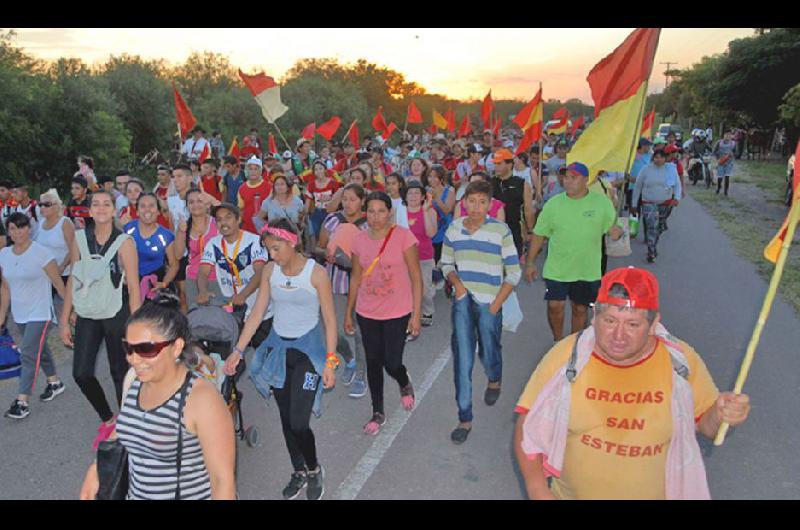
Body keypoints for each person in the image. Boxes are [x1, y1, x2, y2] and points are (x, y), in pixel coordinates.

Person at [514, 267, 752, 500]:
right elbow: (528, 424)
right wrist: (538, 490)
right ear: (594, 315)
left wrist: (723, 415)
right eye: (609, 321)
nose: (618, 335)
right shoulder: (567, 356)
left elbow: (707, 428)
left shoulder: (679, 362)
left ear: (653, 323)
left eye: (632, 325)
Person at [79, 292, 236, 500]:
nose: (134, 359)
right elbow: (128, 425)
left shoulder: (202, 399)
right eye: (129, 348)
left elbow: (222, 481)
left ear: (176, 347)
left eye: (145, 348)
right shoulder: (134, 379)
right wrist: (97, 468)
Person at [223, 219, 336, 500]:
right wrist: (237, 351)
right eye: (268, 249)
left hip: (308, 354)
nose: (272, 255)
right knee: (286, 419)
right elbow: (258, 313)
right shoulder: (271, 271)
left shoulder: (316, 274)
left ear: (292, 242)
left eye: (276, 248)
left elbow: (330, 322)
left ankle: (314, 469)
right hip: (279, 352)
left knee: (299, 422)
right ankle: (298, 470)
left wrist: (330, 362)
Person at [441, 180, 521, 444]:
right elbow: (446, 263)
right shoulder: (454, 229)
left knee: (489, 349)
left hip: (491, 301)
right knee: (462, 360)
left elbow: (514, 272)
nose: (476, 207)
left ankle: (494, 377)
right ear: (464, 202)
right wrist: (457, 285)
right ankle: (465, 417)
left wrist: (496, 305)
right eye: (471, 201)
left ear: (490, 204)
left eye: (482, 202)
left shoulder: (500, 231)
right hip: (463, 300)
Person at [60, 190, 141, 449]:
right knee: (81, 373)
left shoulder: (125, 242)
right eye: (96, 204)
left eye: (107, 204)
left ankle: (129, 428)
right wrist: (65, 318)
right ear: (90, 210)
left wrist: (136, 325)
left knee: (120, 373)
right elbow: (74, 277)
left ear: (114, 210)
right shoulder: (80, 239)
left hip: (116, 312)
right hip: (88, 313)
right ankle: (108, 419)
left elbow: (135, 287)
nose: (102, 208)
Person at [344, 191, 422, 435]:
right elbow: (356, 277)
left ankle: (403, 381)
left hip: (397, 311)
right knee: (373, 362)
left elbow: (417, 277)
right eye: (371, 211)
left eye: (381, 211)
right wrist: (349, 313)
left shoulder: (403, 237)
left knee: (392, 362)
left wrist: (416, 314)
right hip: (367, 312)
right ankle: (378, 411)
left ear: (390, 212)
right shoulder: (358, 240)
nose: (376, 217)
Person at [525, 162, 622, 342]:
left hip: (587, 269)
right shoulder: (553, 204)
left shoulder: (601, 203)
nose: (568, 181)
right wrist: (530, 262)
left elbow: (613, 229)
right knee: (555, 306)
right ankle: (558, 341)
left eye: (573, 177)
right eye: (566, 177)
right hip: (557, 267)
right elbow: (539, 235)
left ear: (586, 180)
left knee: (580, 309)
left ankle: (574, 343)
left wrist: (617, 232)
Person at [0, 213, 67, 419]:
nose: (17, 232)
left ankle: (22, 401)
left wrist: (69, 311)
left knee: (28, 352)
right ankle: (54, 381)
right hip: (20, 314)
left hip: (41, 313)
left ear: (29, 228)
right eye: (12, 228)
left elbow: (58, 284)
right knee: (40, 349)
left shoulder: (42, 253)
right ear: (8, 231)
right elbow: (4, 289)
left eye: (21, 227)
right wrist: (2, 316)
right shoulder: (4, 254)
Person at [316, 184, 369, 398]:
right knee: (333, 330)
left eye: (352, 199)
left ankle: (361, 376)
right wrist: (326, 255)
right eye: (344, 199)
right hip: (334, 282)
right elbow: (319, 245)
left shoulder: (369, 224)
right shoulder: (333, 220)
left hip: (361, 284)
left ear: (362, 201)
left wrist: (353, 262)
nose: (347, 203)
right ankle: (350, 359)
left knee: (359, 332)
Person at [197, 203, 272, 346]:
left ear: (238, 220)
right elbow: (202, 272)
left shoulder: (255, 240)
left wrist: (243, 295)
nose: (223, 223)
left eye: (228, 218)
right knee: (236, 356)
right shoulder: (213, 243)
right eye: (219, 219)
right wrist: (203, 291)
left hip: (260, 310)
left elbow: (260, 272)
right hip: (234, 311)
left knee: (263, 353)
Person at [124, 193, 179, 298]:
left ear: (158, 211)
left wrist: (164, 283)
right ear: (137, 211)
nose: (147, 210)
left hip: (155, 284)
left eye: (151, 206)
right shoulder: (128, 229)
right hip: (130, 282)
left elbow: (174, 265)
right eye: (143, 206)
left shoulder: (166, 235)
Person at [632, 150, 682, 263]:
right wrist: (634, 204)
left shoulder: (671, 169)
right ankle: (651, 251)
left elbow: (677, 185)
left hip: (665, 203)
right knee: (651, 227)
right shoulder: (646, 169)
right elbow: (638, 187)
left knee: (659, 227)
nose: (658, 160)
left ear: (665, 159)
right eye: (656, 157)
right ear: (653, 158)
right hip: (648, 202)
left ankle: (653, 243)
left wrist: (677, 198)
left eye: (661, 157)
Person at [172, 188, 219, 310]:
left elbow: (233, 216)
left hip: (218, 277)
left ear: (207, 204)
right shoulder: (184, 226)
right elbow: (178, 254)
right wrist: (181, 232)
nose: (195, 205)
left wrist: (214, 200)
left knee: (219, 316)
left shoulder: (218, 223)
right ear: (187, 206)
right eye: (191, 202)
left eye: (200, 201)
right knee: (196, 316)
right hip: (193, 277)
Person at [404, 181, 437, 327]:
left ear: (423, 196)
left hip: (424, 256)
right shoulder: (400, 213)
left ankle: (427, 311)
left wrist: (424, 211)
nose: (413, 196)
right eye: (410, 192)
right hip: (404, 257)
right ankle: (409, 312)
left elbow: (431, 233)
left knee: (424, 288)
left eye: (417, 192)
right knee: (406, 287)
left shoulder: (430, 211)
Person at [492, 149, 534, 256]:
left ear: (510, 164)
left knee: (512, 268)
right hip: (492, 231)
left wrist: (530, 231)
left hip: (514, 231)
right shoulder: (489, 183)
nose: (496, 166)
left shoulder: (522, 184)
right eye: (495, 163)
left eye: (499, 163)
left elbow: (528, 210)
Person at [35, 189, 75, 289]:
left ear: (57, 206)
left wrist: (62, 267)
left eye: (47, 204)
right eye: (41, 204)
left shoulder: (65, 223)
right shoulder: (41, 223)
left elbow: (74, 249)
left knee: (66, 303)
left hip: (64, 274)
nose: (42, 207)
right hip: (45, 274)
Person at [427, 165, 456, 269]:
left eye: (435, 176)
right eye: (430, 176)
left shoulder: (449, 191)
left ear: (441, 178)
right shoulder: (426, 191)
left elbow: (447, 210)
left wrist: (436, 198)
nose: (432, 179)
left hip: (444, 231)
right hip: (430, 231)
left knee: (443, 263)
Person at [305, 160, 340, 243]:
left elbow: (339, 198)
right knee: (316, 235)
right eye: (316, 170)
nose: (318, 171)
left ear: (325, 169)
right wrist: (305, 213)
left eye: (320, 168)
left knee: (330, 236)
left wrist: (330, 197)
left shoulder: (333, 183)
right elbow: (308, 199)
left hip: (330, 213)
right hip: (317, 213)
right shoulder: (311, 184)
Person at [237, 156, 272, 235]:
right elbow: (241, 209)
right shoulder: (242, 188)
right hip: (247, 229)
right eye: (250, 169)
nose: (253, 172)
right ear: (247, 171)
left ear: (260, 171)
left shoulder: (269, 187)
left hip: (265, 229)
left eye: (256, 169)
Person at [713, 130, 737, 196]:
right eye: (726, 134)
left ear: (731, 136)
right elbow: (714, 152)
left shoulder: (733, 143)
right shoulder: (719, 143)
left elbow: (736, 153)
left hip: (729, 163)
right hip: (721, 162)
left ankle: (726, 191)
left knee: (727, 177)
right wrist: (717, 159)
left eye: (729, 135)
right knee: (720, 177)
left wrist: (732, 155)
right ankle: (718, 188)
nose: (727, 136)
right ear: (723, 135)